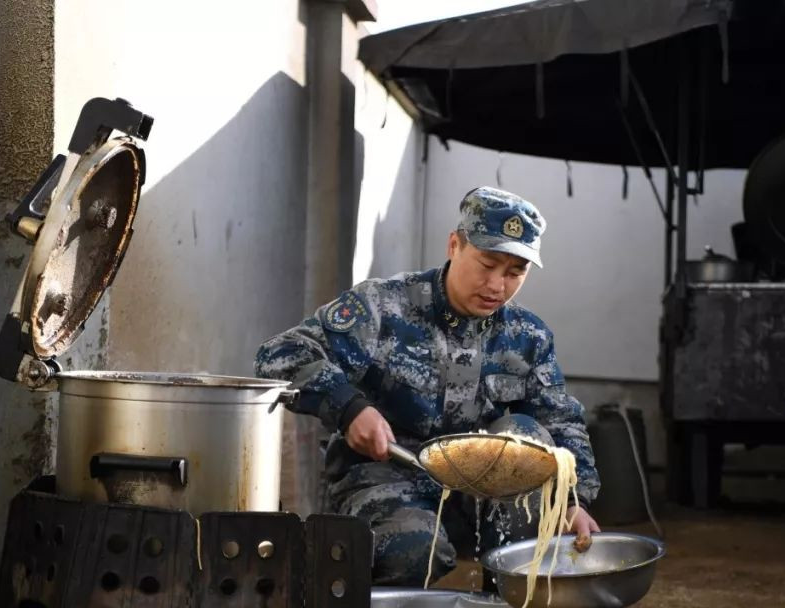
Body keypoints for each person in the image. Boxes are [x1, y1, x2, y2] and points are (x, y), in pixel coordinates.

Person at [255, 186, 601, 586]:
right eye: (487, 264)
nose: (496, 286)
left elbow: (561, 421)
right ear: (455, 245)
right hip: (388, 476)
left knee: (527, 436)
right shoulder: (385, 307)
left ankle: (505, 600)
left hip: (477, 494)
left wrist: (572, 503)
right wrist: (348, 407)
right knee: (414, 552)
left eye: (514, 273)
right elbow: (279, 354)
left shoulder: (529, 336)